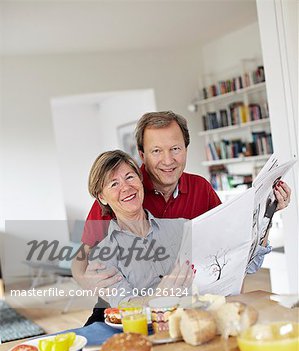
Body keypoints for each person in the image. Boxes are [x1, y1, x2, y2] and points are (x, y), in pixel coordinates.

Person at [71, 112, 291, 320]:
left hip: (187, 306)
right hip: (125, 311)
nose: (168, 160)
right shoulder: (118, 198)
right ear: (142, 155)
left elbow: (233, 253)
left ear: (185, 149)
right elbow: (85, 259)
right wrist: (85, 280)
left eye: (175, 148)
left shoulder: (199, 192)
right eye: (156, 151)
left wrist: (267, 213)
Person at [85, 150, 266, 309]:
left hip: (199, 321)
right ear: (102, 197)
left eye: (130, 177)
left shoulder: (182, 227)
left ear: (140, 181)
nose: (126, 187)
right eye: (114, 184)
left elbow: (244, 262)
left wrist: (267, 215)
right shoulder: (102, 256)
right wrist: (157, 298)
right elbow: (125, 305)